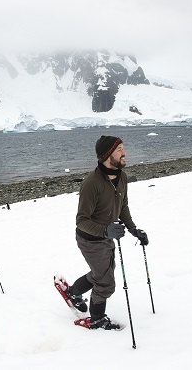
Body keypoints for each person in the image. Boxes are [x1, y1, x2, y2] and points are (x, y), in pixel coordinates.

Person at [64, 135, 149, 330]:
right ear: (106, 155)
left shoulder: (122, 177)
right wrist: (105, 231)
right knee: (106, 283)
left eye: (123, 148)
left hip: (107, 235)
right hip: (90, 239)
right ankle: (97, 319)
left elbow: (123, 206)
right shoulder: (91, 183)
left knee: (102, 274)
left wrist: (133, 229)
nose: (124, 153)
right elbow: (81, 220)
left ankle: (73, 293)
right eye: (119, 149)